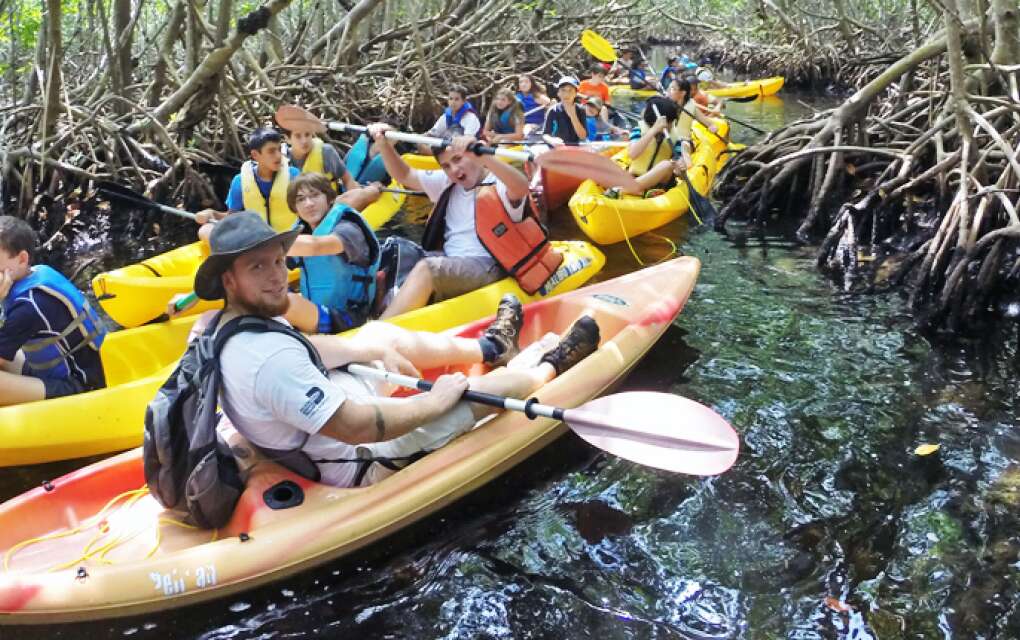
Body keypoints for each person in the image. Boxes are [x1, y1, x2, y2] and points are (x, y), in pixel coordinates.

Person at [192, 211, 601, 487]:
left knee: (374, 337)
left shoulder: (230, 323)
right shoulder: (268, 361)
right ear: (228, 280)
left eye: (278, 261)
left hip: (324, 417)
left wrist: (364, 352)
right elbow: (357, 428)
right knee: (480, 398)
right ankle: (547, 365)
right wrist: (438, 402)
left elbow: (309, 348)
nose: (277, 277)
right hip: (360, 457)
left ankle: (491, 346)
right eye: (257, 267)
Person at [367, 127, 560, 318]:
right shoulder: (448, 183)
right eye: (446, 166)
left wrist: (483, 155)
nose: (454, 170)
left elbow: (520, 186)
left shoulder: (498, 183)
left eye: (458, 159)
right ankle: (378, 310)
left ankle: (378, 330)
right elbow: (405, 175)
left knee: (428, 269)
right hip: (453, 260)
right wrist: (383, 145)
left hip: (487, 266)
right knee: (394, 250)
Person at [0, 216, 106, 406]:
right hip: (50, 371)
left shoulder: (29, 306)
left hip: (78, 385)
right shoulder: (37, 272)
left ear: (22, 259)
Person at [282, 173, 381, 333]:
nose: (308, 204)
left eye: (315, 195)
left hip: (351, 317)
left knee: (288, 304)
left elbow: (317, 247)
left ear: (329, 198)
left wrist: (268, 245)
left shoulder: (348, 228)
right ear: (295, 208)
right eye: (301, 199)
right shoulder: (301, 231)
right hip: (319, 310)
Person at [276, 106, 384, 213]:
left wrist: (360, 200)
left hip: (328, 210)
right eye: (298, 136)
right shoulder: (280, 160)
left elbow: (348, 180)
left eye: (307, 134)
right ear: (287, 139)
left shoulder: (326, 152)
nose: (304, 140)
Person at [608, 92, 717, 198]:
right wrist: (653, 131)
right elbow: (632, 154)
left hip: (660, 183)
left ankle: (623, 190)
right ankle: (635, 188)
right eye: (670, 122)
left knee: (666, 164)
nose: (672, 125)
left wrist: (680, 166)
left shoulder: (675, 138)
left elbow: (679, 170)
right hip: (636, 177)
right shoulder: (638, 131)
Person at [196, 128, 301, 231]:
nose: (278, 156)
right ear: (255, 155)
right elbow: (231, 217)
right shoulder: (239, 181)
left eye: (279, 149)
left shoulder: (293, 175)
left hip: (289, 237)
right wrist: (212, 213)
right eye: (271, 151)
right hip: (258, 241)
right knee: (205, 230)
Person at [542, 76, 588, 145]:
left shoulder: (580, 110)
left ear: (575, 94)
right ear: (558, 93)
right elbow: (545, 134)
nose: (567, 94)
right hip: (557, 148)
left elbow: (582, 136)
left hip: (575, 148)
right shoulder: (553, 110)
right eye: (563, 90)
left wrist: (573, 116)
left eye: (570, 90)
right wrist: (552, 140)